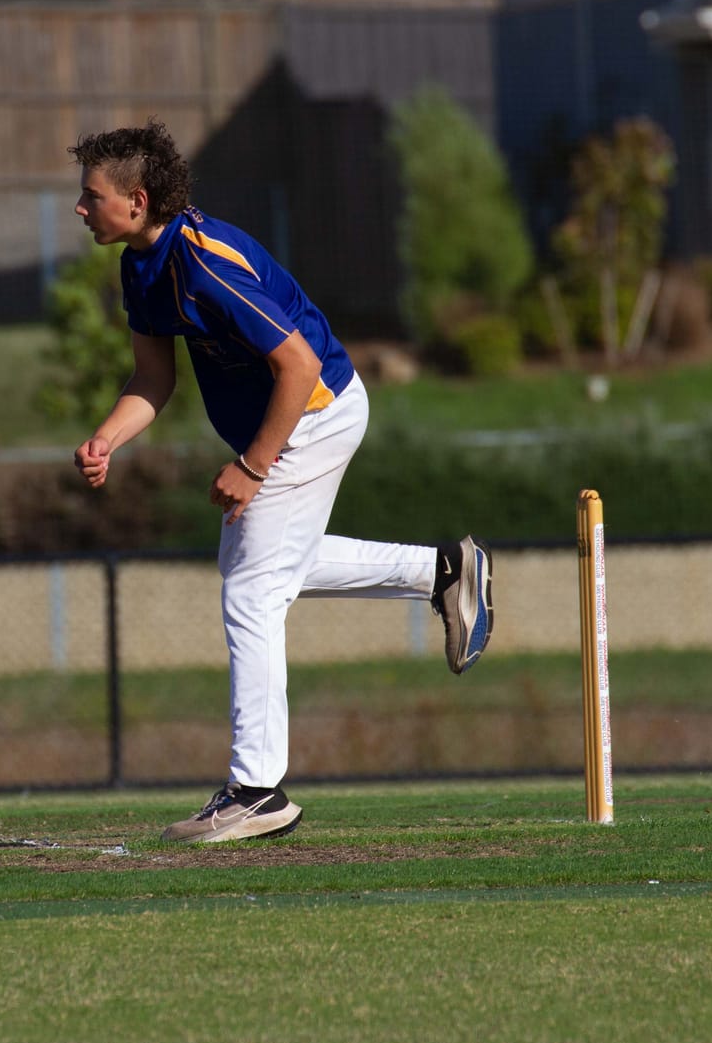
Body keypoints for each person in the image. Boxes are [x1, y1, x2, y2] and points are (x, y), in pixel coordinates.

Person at [69, 119, 493, 844]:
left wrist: (252, 465)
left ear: (137, 202)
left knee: (252, 590)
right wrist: (108, 436)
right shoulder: (140, 266)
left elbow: (296, 365)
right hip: (291, 420)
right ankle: (444, 571)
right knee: (266, 572)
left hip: (317, 413)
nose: (81, 208)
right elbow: (153, 375)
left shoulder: (204, 262)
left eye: (91, 197)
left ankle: (258, 789)